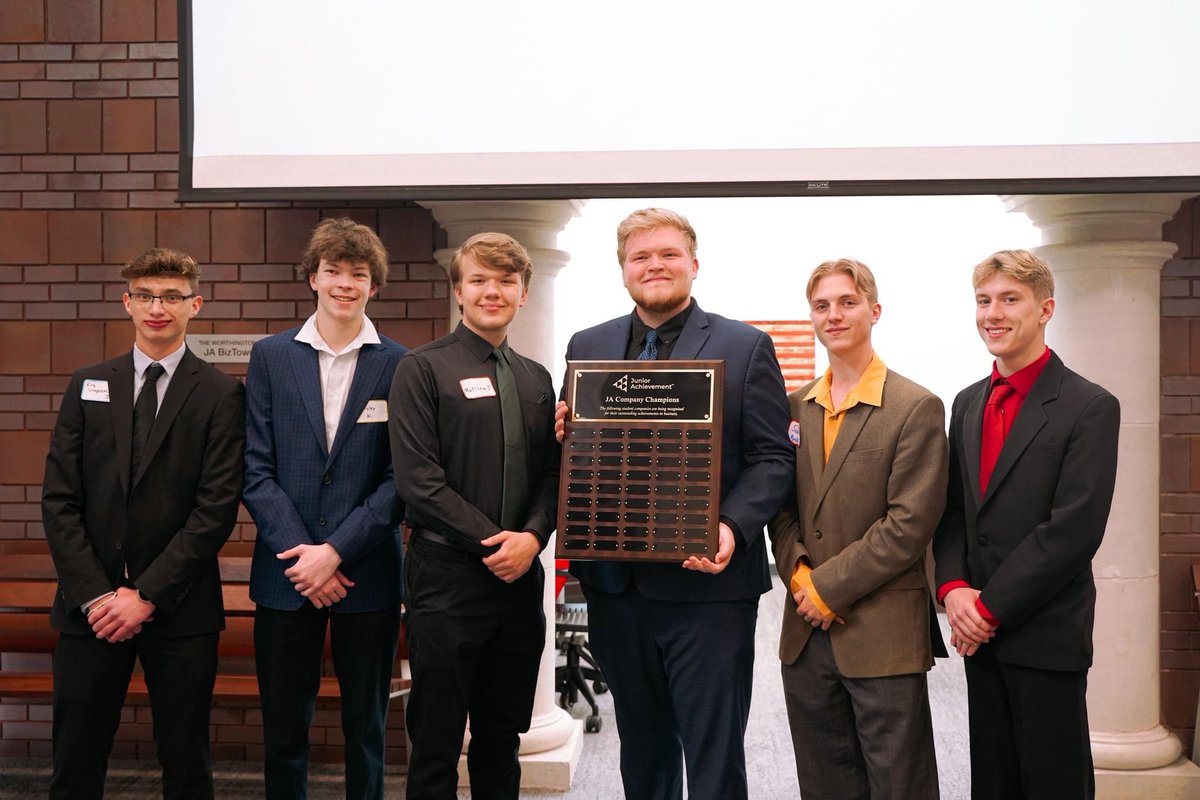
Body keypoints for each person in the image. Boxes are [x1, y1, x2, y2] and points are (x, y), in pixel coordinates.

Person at [555, 208, 794, 800]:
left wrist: (734, 527)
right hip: (617, 588)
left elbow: (773, 458)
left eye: (667, 254)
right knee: (641, 750)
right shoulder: (588, 345)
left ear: (693, 263)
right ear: (623, 270)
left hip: (708, 590)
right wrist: (560, 431)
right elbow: (578, 457)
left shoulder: (745, 346)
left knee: (713, 756)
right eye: (640, 257)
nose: (654, 266)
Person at [42, 247, 245, 799]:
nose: (159, 307)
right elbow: (59, 499)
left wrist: (147, 594)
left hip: (179, 608)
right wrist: (97, 596)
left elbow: (216, 509)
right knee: (75, 762)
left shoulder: (222, 393)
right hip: (92, 609)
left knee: (186, 764)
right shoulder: (88, 384)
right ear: (127, 302)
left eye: (173, 297)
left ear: (195, 305)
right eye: (147, 296)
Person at [934, 249, 1119, 800]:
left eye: (1010, 299)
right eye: (984, 300)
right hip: (979, 635)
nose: (993, 313)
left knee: (1053, 783)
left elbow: (1074, 530)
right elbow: (954, 512)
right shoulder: (967, 403)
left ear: (1045, 309)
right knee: (993, 781)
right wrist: (953, 588)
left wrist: (989, 608)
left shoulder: (1089, 406)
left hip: (1044, 631)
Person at [767, 258, 948, 800]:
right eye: (822, 306)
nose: (834, 315)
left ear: (874, 309)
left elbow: (909, 524)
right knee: (824, 784)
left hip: (882, 632)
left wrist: (827, 587)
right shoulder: (794, 406)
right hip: (806, 632)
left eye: (847, 302)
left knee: (899, 784)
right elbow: (779, 506)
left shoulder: (915, 406)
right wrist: (799, 573)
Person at [389, 232, 558, 800]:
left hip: (517, 582)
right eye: (479, 280)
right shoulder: (421, 369)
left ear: (523, 293)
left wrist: (532, 540)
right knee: (435, 741)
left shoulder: (537, 379)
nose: (493, 291)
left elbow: (551, 477)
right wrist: (498, 543)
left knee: (501, 737)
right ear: (458, 291)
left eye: (506, 281)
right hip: (446, 577)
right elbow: (418, 482)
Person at [242, 217, 407, 799]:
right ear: (312, 277)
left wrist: (335, 552)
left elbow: (400, 479)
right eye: (333, 271)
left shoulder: (400, 363)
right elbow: (255, 470)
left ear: (374, 285)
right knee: (285, 727)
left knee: (368, 728)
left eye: (358, 274)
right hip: (285, 574)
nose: (345, 283)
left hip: (368, 572)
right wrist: (305, 558)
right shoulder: (270, 356)